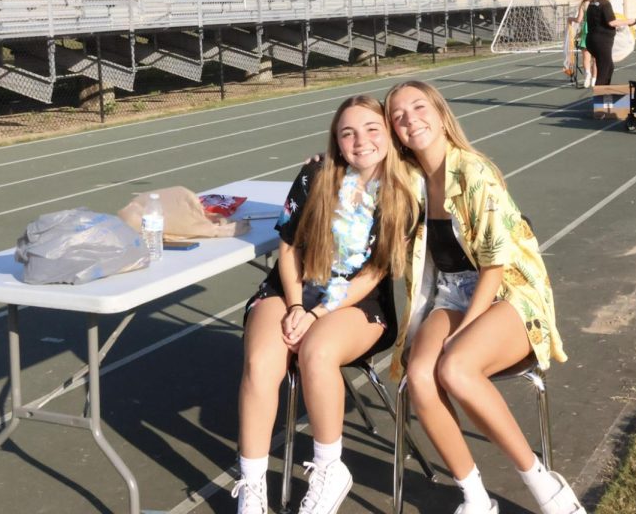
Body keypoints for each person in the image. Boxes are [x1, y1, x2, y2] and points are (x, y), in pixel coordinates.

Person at [383, 79, 583, 514]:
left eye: (418, 108)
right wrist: (326, 167)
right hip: (452, 294)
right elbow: (361, 170)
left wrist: (464, 333)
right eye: (398, 116)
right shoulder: (408, 181)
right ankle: (475, 497)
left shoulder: (472, 171)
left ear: (439, 113)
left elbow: (494, 265)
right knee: (419, 377)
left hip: (508, 290)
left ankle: (542, 484)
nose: (410, 119)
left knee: (455, 368)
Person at [233, 95, 417, 514]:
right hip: (293, 287)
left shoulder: (404, 189)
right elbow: (288, 246)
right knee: (262, 361)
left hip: (358, 302)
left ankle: (329, 468)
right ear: (336, 139)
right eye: (347, 132)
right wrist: (297, 305)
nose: (361, 141)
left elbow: (373, 274)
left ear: (389, 134)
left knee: (316, 351)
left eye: (372, 129)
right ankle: (252, 485)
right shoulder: (317, 173)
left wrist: (316, 314)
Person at [584, 0, 636, 87]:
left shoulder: (592, 3)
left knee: (609, 67)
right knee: (604, 71)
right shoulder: (605, 3)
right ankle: (600, 98)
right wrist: (630, 21)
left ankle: (605, 93)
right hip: (601, 42)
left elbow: (601, 22)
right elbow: (612, 22)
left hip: (591, 40)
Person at [570, 0, 596, 88]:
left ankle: (587, 75)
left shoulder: (584, 4)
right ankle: (594, 79)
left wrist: (570, 19)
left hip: (586, 31)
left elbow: (579, 20)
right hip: (595, 30)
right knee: (596, 59)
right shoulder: (597, 4)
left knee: (586, 57)